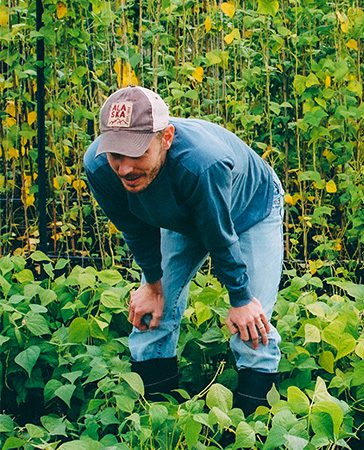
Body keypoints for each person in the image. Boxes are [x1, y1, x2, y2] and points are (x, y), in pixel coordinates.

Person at [82, 86, 284, 415]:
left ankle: (253, 428)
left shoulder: (203, 162)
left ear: (167, 137)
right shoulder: (99, 167)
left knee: (252, 325)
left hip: (249, 211)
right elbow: (134, 226)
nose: (125, 168)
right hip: (181, 214)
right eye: (116, 154)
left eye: (137, 153)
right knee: (150, 315)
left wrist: (241, 299)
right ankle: (158, 421)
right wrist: (153, 285)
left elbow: (220, 236)